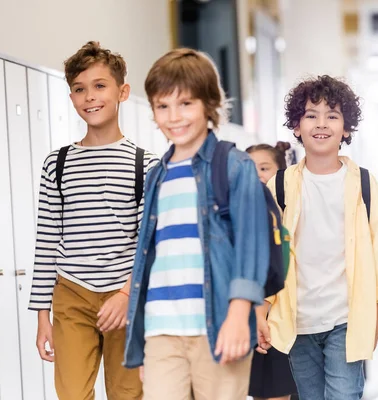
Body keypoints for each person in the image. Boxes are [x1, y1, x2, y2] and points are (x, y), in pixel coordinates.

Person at [123, 48, 270, 400]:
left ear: (209, 104)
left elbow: (251, 246)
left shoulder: (234, 166)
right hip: (161, 330)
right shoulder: (157, 174)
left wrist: (238, 316)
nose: (174, 116)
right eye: (162, 106)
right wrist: (145, 339)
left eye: (185, 103)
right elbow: (152, 255)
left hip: (216, 323)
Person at [29, 41, 157, 399]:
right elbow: (46, 240)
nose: (90, 97)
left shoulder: (145, 164)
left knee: (129, 394)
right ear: (71, 97)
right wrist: (43, 315)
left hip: (126, 296)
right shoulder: (57, 164)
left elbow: (150, 242)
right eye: (80, 89)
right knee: (71, 394)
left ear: (122, 91)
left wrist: (126, 293)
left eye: (100, 86)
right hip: (71, 293)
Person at [257, 75, 378, 400]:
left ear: (346, 129)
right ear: (296, 125)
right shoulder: (277, 186)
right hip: (296, 321)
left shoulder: (365, 184)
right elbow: (265, 259)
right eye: (311, 115)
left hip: (346, 319)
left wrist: (372, 322)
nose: (322, 124)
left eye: (332, 115)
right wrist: (260, 313)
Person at [246, 142, 298, 400]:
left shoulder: (289, 219)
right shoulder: (238, 219)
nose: (256, 175)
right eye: (248, 167)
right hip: (249, 325)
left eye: (264, 168)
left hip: (280, 326)